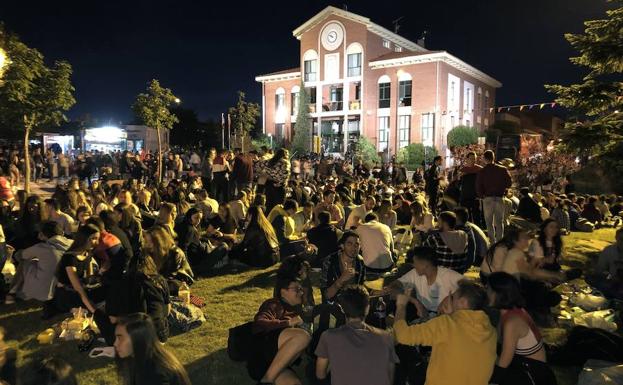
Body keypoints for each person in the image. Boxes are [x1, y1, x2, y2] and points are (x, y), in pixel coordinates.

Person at [394, 280, 497, 385]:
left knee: (404, 358)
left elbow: (402, 335)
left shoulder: (446, 325)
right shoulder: (492, 332)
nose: (447, 299)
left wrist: (401, 305)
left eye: (452, 297)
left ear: (463, 302)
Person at [315, 285, 399, 385]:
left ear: (342, 310)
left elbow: (320, 374)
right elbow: (389, 379)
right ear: (367, 308)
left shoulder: (328, 336)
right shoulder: (386, 337)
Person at [487, 272, 557, 385]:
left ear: (498, 294)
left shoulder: (512, 322)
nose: (487, 293)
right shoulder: (513, 310)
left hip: (533, 375)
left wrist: (492, 382)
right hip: (528, 366)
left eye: (489, 289)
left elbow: (504, 361)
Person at [250, 276, 311, 385]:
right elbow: (260, 321)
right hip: (262, 356)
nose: (301, 292)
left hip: (279, 364)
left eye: (301, 289)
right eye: (297, 289)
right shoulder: (275, 304)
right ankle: (266, 381)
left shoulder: (297, 311)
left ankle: (267, 379)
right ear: (283, 292)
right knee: (302, 336)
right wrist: (287, 323)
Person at [377, 246, 463, 316]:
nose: (413, 265)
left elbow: (471, 287)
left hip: (443, 317)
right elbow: (398, 283)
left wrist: (452, 300)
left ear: (424, 265)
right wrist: (389, 288)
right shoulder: (415, 273)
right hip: (422, 313)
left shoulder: (448, 275)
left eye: (415, 262)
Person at [5, 221, 73, 304]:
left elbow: (19, 256)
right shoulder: (72, 243)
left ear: (42, 234)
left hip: (45, 291)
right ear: (62, 232)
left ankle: (11, 293)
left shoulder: (42, 247)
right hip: (67, 284)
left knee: (26, 261)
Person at [114, 313, 191, 385]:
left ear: (137, 339)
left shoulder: (154, 375)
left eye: (120, 338)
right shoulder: (148, 355)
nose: (115, 344)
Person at [53, 224, 105, 314]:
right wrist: (94, 311)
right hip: (68, 294)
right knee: (91, 306)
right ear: (84, 239)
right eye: (93, 238)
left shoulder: (87, 253)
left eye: (97, 239)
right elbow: (78, 288)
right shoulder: (69, 258)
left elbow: (89, 277)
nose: (96, 242)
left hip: (81, 289)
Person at [143, 226, 194, 295]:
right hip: (160, 279)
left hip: (178, 280)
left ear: (160, 241)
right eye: (146, 241)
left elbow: (170, 275)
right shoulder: (150, 251)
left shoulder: (175, 253)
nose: (147, 245)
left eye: (150, 242)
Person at [476, 150, 512, 243]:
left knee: (489, 222)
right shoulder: (503, 169)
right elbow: (509, 183)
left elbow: (478, 186)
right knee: (499, 222)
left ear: (484, 159)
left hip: (487, 198)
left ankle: (492, 242)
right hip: (500, 197)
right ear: (493, 158)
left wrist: (481, 196)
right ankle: (500, 241)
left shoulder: (482, 171)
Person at [320, 231, 366, 302]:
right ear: (342, 246)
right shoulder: (330, 261)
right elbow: (326, 295)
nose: (354, 248)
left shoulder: (360, 261)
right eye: (349, 244)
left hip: (353, 304)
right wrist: (341, 279)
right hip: (334, 305)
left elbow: (361, 287)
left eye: (357, 244)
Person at [264, 148, 290, 213]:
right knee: (279, 207)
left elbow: (262, 169)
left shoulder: (269, 161)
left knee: (269, 206)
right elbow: (285, 175)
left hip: (269, 185)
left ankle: (268, 220)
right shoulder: (285, 163)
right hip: (280, 187)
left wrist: (270, 177)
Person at [459, 151, 483, 224]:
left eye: (474, 158)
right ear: (467, 159)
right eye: (471, 158)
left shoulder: (479, 169)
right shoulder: (462, 170)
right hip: (465, 196)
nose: (473, 160)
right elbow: (458, 183)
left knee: (477, 217)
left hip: (475, 197)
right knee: (466, 217)